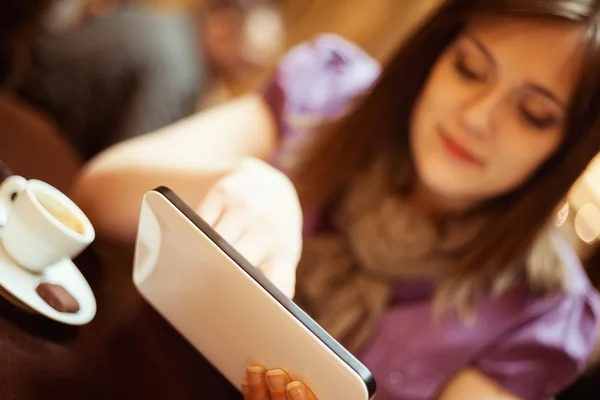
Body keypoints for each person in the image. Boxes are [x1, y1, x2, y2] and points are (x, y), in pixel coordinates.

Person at [71, 0, 600, 399]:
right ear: (435, 54)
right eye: (469, 68)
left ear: (565, 149)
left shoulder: (541, 313)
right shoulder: (327, 96)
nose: (478, 117)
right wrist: (243, 182)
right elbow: (97, 193)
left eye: (533, 113)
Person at [13, 0, 283, 159]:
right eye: (247, 59)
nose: (243, 73)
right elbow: (127, 154)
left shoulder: (169, 25)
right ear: (222, 27)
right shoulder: (178, 69)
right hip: (34, 137)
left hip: (22, 100)